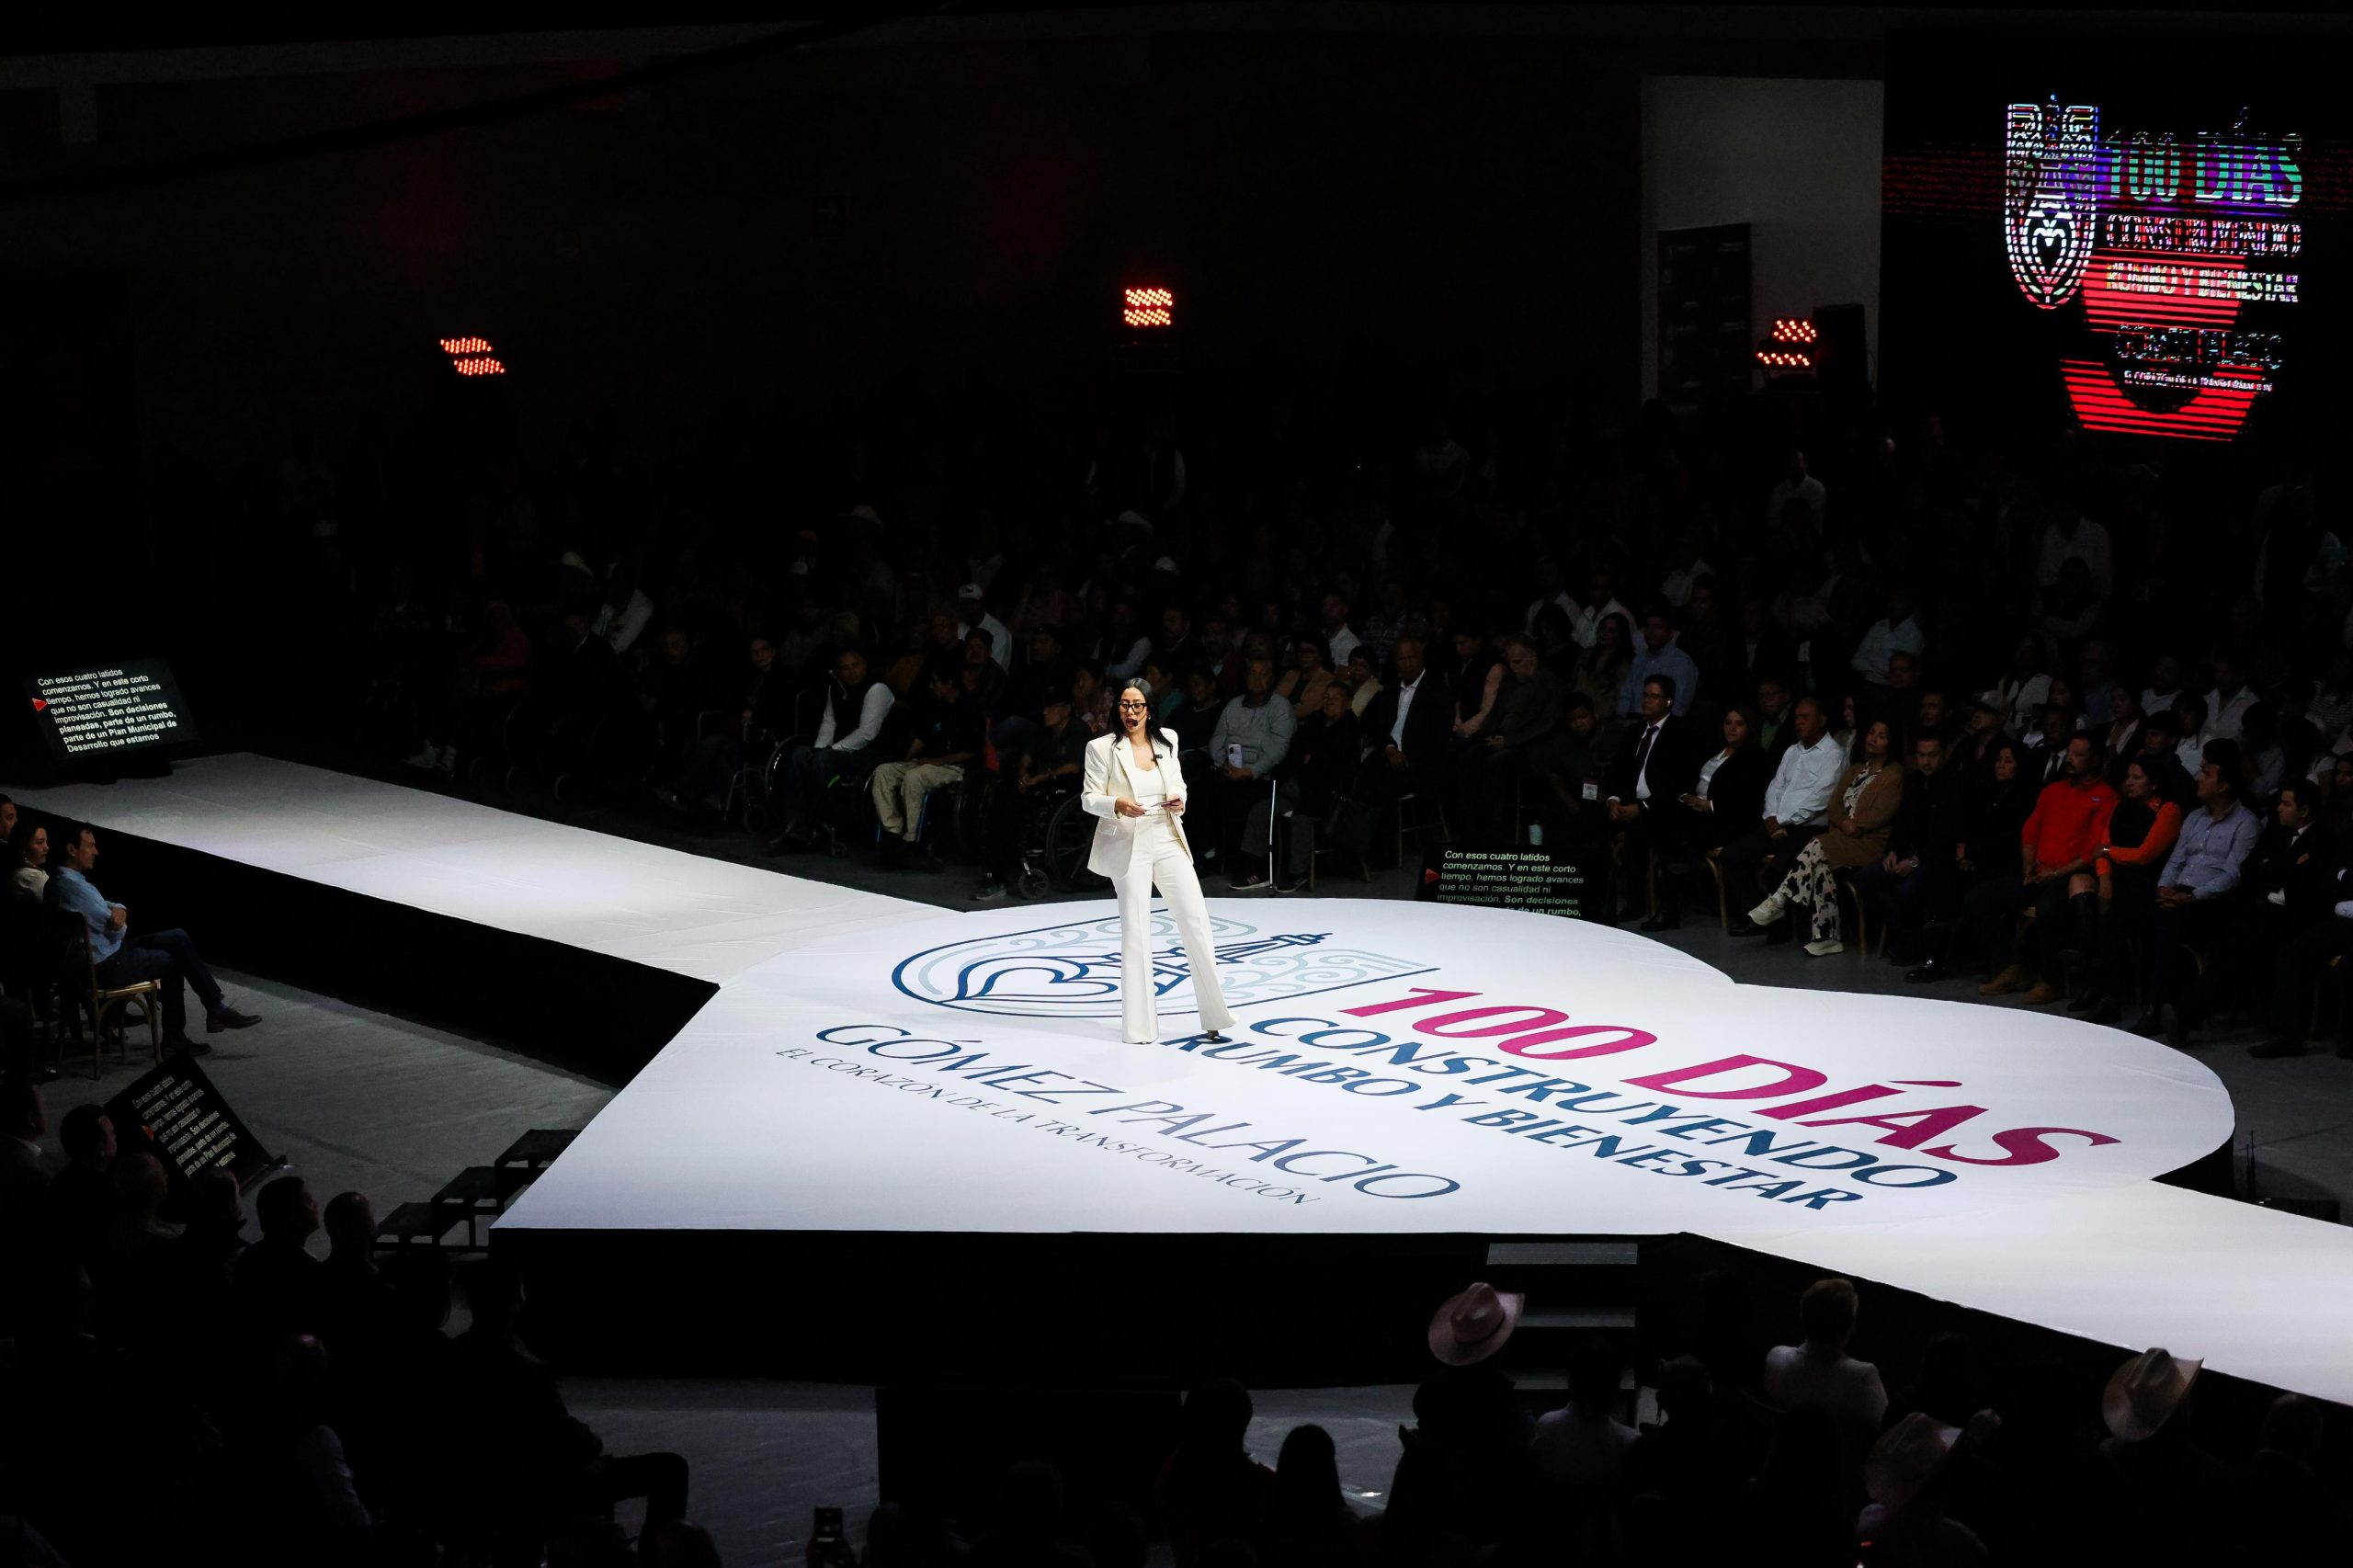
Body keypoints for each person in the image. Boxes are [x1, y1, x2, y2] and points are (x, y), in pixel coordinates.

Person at [1084, 681, 1238, 1045]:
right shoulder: (1101, 748)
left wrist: (1179, 799)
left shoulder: (1168, 740)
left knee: (1196, 921)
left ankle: (1214, 1016)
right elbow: (1089, 798)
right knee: (1136, 930)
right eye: (1124, 705)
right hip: (1129, 840)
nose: (1130, 712)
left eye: (1137, 705)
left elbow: (1178, 783)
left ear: (1149, 709)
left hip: (1167, 836)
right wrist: (1117, 804)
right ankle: (1140, 1029)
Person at [44, 824, 260, 1053]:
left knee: (177, 937)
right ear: (71, 849)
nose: (95, 852)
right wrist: (119, 917)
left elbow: (108, 907)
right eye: (90, 846)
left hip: (103, 954)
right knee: (170, 961)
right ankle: (177, 1036)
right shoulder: (72, 888)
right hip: (103, 964)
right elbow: (115, 928)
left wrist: (119, 909)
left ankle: (215, 1007)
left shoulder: (63, 881)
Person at [1972, 736, 2115, 1006]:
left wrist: (2057, 874)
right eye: (2069, 753)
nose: (2069, 759)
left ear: (2095, 760)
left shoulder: (2105, 796)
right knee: (1979, 897)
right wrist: (2029, 868)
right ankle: (2013, 965)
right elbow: (2030, 832)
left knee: (2050, 907)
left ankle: (2050, 980)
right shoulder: (2053, 790)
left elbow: (2092, 851)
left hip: (2071, 876)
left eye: (2078, 754)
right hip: (2038, 873)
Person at [2137, 741, 2260, 1046]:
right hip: (2178, 892)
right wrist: (2164, 886)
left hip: (2212, 900)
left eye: (2206, 773)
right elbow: (2176, 859)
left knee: (2168, 922)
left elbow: (2233, 875)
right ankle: (2137, 998)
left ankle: (2155, 1006)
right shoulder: (2194, 817)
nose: (2198, 778)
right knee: (2138, 911)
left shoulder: (2246, 823)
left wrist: (2192, 896)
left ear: (2224, 784)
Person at [1746, 719, 1904, 956]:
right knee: (1820, 865)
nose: (1873, 739)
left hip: (1869, 843)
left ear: (1891, 742)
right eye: (1872, 733)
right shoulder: (1856, 769)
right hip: (1843, 837)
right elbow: (1834, 803)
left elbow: (1883, 811)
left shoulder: (1894, 774)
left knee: (1817, 844)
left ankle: (1780, 898)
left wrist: (1856, 825)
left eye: (1882, 736)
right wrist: (1845, 823)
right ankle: (1827, 936)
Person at [1722, 698, 1843, 938]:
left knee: (1778, 869)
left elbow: (1821, 797)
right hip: (1776, 824)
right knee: (1732, 855)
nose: (1799, 722)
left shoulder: (1833, 753)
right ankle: (1759, 915)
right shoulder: (1792, 751)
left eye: (1805, 717)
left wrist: (1783, 820)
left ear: (1821, 720)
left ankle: (1780, 926)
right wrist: (1771, 817)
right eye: (1796, 717)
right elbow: (1775, 787)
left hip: (1808, 829)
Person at [766, 645, 893, 853]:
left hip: (869, 754)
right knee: (799, 754)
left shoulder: (877, 689)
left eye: (855, 665)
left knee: (823, 760)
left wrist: (829, 750)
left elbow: (867, 733)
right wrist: (817, 749)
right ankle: (793, 824)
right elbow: (829, 723)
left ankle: (813, 824)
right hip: (839, 751)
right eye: (845, 668)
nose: (851, 672)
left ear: (865, 665)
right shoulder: (835, 689)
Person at [1856, 731, 1966, 968]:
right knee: (1865, 878)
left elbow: (1947, 834)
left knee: (1908, 891)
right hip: (1906, 853)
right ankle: (1908, 934)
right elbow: (1901, 824)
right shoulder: (1913, 782)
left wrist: (1916, 860)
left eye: (1932, 755)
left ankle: (1911, 940)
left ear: (1943, 755)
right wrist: (1892, 851)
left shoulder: (1953, 784)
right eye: (1921, 755)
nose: (1926, 761)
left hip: (1937, 859)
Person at [1602, 675, 1706, 925]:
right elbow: (1617, 771)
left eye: (1654, 696)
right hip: (1629, 803)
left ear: (1668, 701)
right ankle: (1591, 893)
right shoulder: (1634, 732)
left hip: (1664, 807)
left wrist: (1644, 807)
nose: (1647, 701)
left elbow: (1680, 781)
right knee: (1589, 822)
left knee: (1649, 830)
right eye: (1645, 695)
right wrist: (1613, 800)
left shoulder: (1681, 733)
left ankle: (1660, 907)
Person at [974, 687, 1088, 902]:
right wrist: (1023, 773)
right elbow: (1027, 756)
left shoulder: (1078, 730)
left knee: (1010, 817)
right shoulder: (1043, 731)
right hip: (1037, 785)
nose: (1045, 712)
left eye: (1051, 707)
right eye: (1044, 707)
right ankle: (994, 870)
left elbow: (1074, 767)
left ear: (1066, 709)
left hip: (1063, 789)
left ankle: (1000, 875)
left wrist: (1042, 777)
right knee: (998, 804)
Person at [869, 665, 983, 869]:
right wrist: (905, 761)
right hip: (926, 763)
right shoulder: (934, 707)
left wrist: (937, 762)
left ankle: (911, 840)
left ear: (949, 683)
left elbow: (972, 751)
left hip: (955, 767)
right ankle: (893, 831)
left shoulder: (970, 709)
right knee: (883, 771)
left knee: (915, 776)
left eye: (935, 682)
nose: (931, 686)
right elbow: (922, 737)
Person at [1762, 1278, 1887, 1443]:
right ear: (1850, 1326)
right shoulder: (1863, 1378)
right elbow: (1885, 1435)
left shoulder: (1775, 1358)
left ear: (1802, 1315)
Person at [1203, 655, 1298, 868]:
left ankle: (1244, 863)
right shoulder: (1234, 705)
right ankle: (1209, 853)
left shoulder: (1281, 707)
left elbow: (1277, 750)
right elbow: (1218, 739)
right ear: (1245, 677)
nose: (1258, 679)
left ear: (1272, 678)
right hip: (1229, 768)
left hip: (1261, 776)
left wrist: (1250, 771)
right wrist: (1222, 764)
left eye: (1264, 674)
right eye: (1253, 674)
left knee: (1240, 801)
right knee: (1200, 791)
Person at [1355, 636, 1450, 808]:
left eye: (1411, 657)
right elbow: (1379, 726)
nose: (1407, 664)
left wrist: (1405, 757)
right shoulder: (1390, 690)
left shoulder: (1438, 692)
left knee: (1377, 793)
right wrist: (1390, 750)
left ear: (1421, 657)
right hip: (1386, 757)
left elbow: (1438, 738)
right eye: (1402, 659)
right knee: (1356, 781)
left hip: (1418, 765)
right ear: (1395, 662)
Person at [9, 815, 49, 903]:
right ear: (23, 847)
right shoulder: (34, 877)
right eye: (40, 842)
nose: (46, 847)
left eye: (46, 842)